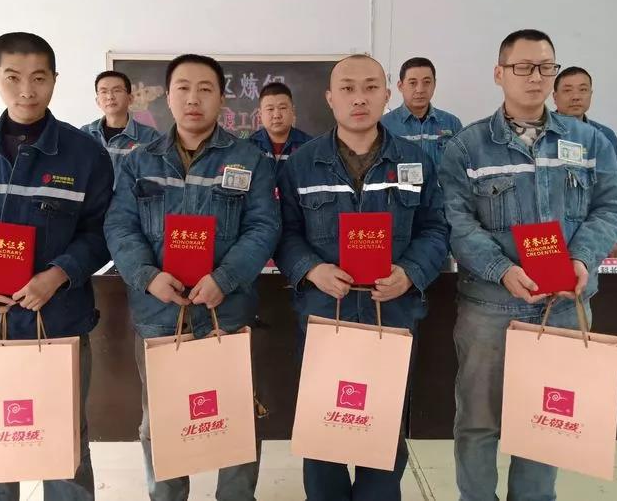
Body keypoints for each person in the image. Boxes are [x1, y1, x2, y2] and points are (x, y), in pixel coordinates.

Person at [438, 29, 617, 501]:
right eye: (522, 67)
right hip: (490, 308)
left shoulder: (591, 141)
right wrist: (502, 269)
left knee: (546, 423)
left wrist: (583, 258)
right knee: (478, 421)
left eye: (546, 67)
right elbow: (456, 220)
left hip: (562, 306)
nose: (535, 77)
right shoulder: (467, 147)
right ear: (499, 73)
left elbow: (611, 208)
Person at [0, 32, 114, 501]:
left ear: (55, 79)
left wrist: (58, 274)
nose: (27, 91)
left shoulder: (85, 154)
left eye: (39, 78)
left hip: (57, 323)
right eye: (13, 78)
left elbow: (100, 233)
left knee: (64, 445)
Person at [103, 54, 281, 501]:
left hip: (227, 312)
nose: (193, 98)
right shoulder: (139, 161)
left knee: (235, 418)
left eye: (205, 89)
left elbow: (264, 226)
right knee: (162, 422)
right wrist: (147, 276)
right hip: (159, 315)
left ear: (222, 98)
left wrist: (227, 277)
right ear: (168, 96)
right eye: (183, 88)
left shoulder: (250, 160)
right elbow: (119, 226)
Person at [275, 54, 449, 501]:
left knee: (382, 429)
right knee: (324, 429)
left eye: (370, 87)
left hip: (391, 315)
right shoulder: (300, 164)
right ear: (329, 98)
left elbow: (436, 228)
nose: (359, 98)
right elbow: (285, 233)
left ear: (386, 95)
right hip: (324, 315)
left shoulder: (416, 161)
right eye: (347, 88)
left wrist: (410, 272)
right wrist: (312, 269)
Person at [553, 66, 617, 257]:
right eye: (567, 90)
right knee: (551, 276)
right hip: (551, 231)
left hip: (593, 231)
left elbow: (615, 189)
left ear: (591, 94)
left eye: (583, 89)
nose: (576, 97)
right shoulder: (542, 135)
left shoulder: (604, 136)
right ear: (554, 97)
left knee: (589, 275)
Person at [81, 70, 160, 187]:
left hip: (131, 199)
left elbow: (157, 180)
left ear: (130, 98)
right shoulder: (85, 134)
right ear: (97, 101)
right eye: (104, 92)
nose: (110, 97)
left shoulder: (150, 137)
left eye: (117, 90)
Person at [381, 57, 463, 168]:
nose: (420, 90)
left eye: (426, 82)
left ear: (434, 84)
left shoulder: (452, 123)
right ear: (400, 86)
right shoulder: (384, 125)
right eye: (412, 83)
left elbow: (462, 165)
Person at [249, 81, 312, 177]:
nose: (276, 115)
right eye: (270, 109)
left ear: (292, 111)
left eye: (282, 108)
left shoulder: (310, 147)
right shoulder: (249, 147)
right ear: (260, 114)